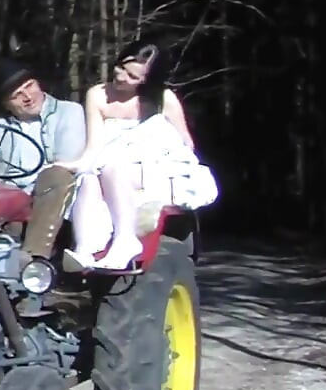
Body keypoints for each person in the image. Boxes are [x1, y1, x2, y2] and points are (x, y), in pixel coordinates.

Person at [55, 39, 219, 271]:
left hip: (154, 168)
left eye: (133, 76)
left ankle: (125, 239)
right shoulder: (98, 95)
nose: (122, 77)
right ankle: (86, 248)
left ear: (147, 80)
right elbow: (94, 146)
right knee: (90, 178)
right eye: (121, 67)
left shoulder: (163, 100)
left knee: (112, 168)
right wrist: (71, 165)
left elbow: (185, 145)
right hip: (109, 165)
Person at [0, 56, 87, 260]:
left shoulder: (68, 112)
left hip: (43, 194)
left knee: (57, 176)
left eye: (30, 86)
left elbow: (68, 160)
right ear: (6, 104)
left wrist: (23, 196)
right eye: (17, 95)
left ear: (39, 84)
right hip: (2, 196)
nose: (27, 97)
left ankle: (33, 258)